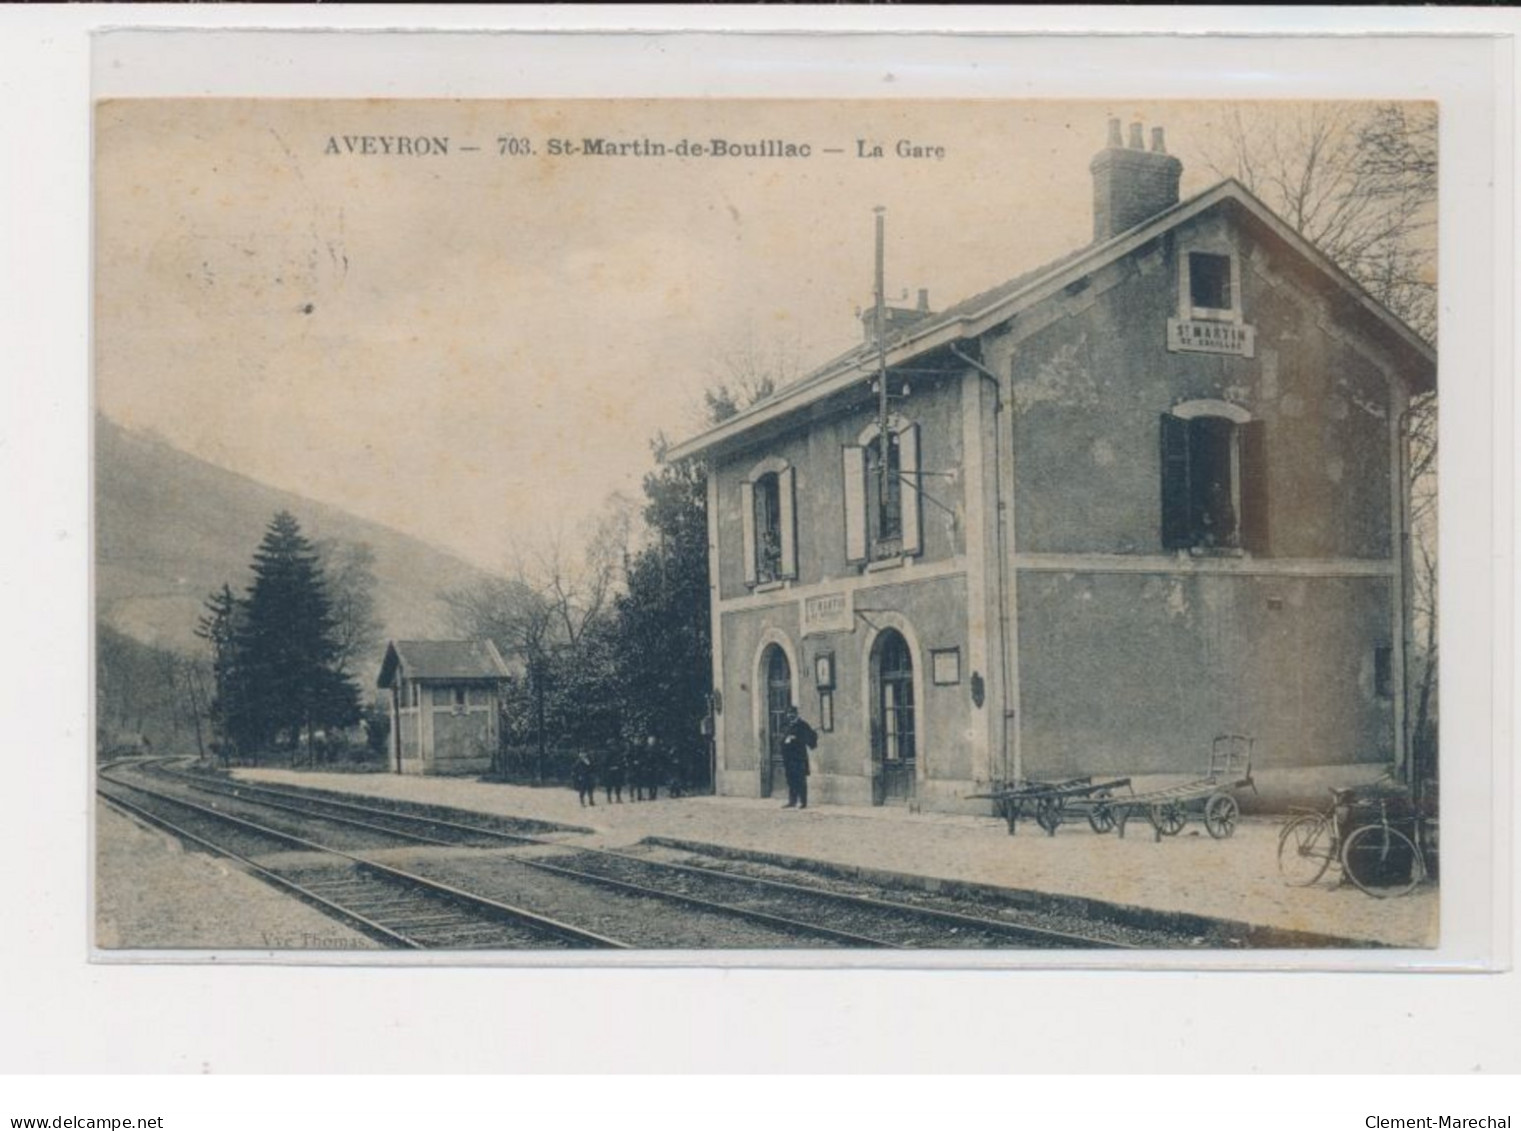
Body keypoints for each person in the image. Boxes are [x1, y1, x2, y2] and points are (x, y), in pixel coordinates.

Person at [779, 706, 818, 810]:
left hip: (799, 757)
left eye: (792, 713)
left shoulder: (802, 725)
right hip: (788, 758)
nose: (790, 716)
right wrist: (785, 740)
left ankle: (803, 802)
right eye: (788, 714)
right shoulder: (786, 725)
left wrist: (796, 739)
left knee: (800, 780)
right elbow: (781, 737)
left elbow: (810, 739)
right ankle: (792, 801)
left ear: (796, 714)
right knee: (791, 779)